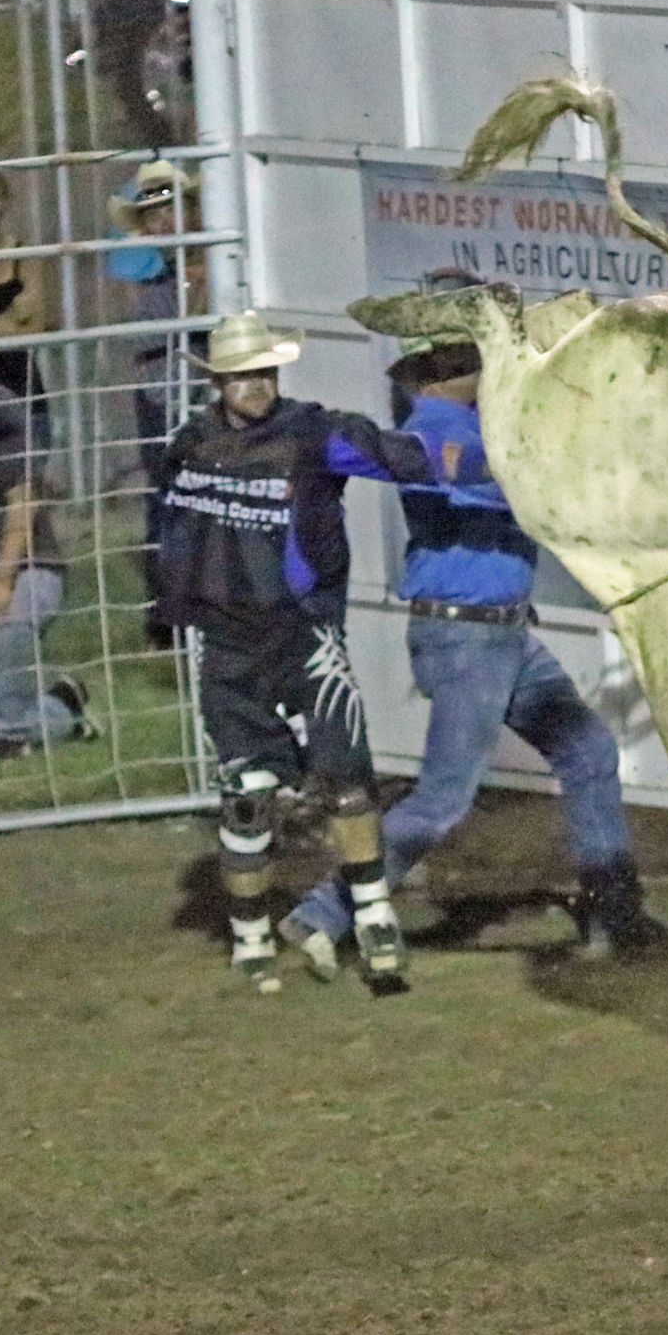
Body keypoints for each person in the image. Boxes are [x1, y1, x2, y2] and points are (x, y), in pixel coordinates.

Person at [278, 334, 652, 978]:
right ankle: (324, 913)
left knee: (586, 750)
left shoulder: (460, 427)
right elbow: (506, 481)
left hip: (495, 635)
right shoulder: (433, 436)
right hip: (469, 640)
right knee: (443, 799)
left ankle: (614, 910)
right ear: (449, 376)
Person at [157, 309, 472, 995]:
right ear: (219, 381)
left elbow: (406, 459)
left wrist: (484, 459)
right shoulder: (190, 445)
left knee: (348, 784)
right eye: (244, 374)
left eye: (265, 371)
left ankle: (374, 916)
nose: (257, 384)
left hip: (306, 638)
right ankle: (249, 936)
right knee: (246, 797)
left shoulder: (316, 433)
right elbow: (177, 538)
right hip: (230, 644)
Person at [107, 160, 208, 649]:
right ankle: (169, 610)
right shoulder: (154, 283)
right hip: (163, 399)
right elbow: (146, 334)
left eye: (172, 208)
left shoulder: (216, 263)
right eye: (153, 215)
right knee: (165, 500)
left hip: (201, 397)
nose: (164, 221)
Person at [0, 381, 96, 760]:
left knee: (6, 635)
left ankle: (19, 731)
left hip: (28, 566)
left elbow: (21, 507)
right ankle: (64, 708)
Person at [0, 171, 51, 448]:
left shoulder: (24, 257)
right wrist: (11, 326)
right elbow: (23, 330)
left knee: (26, 481)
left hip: (21, 389)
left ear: (6, 202)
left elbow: (36, 329)